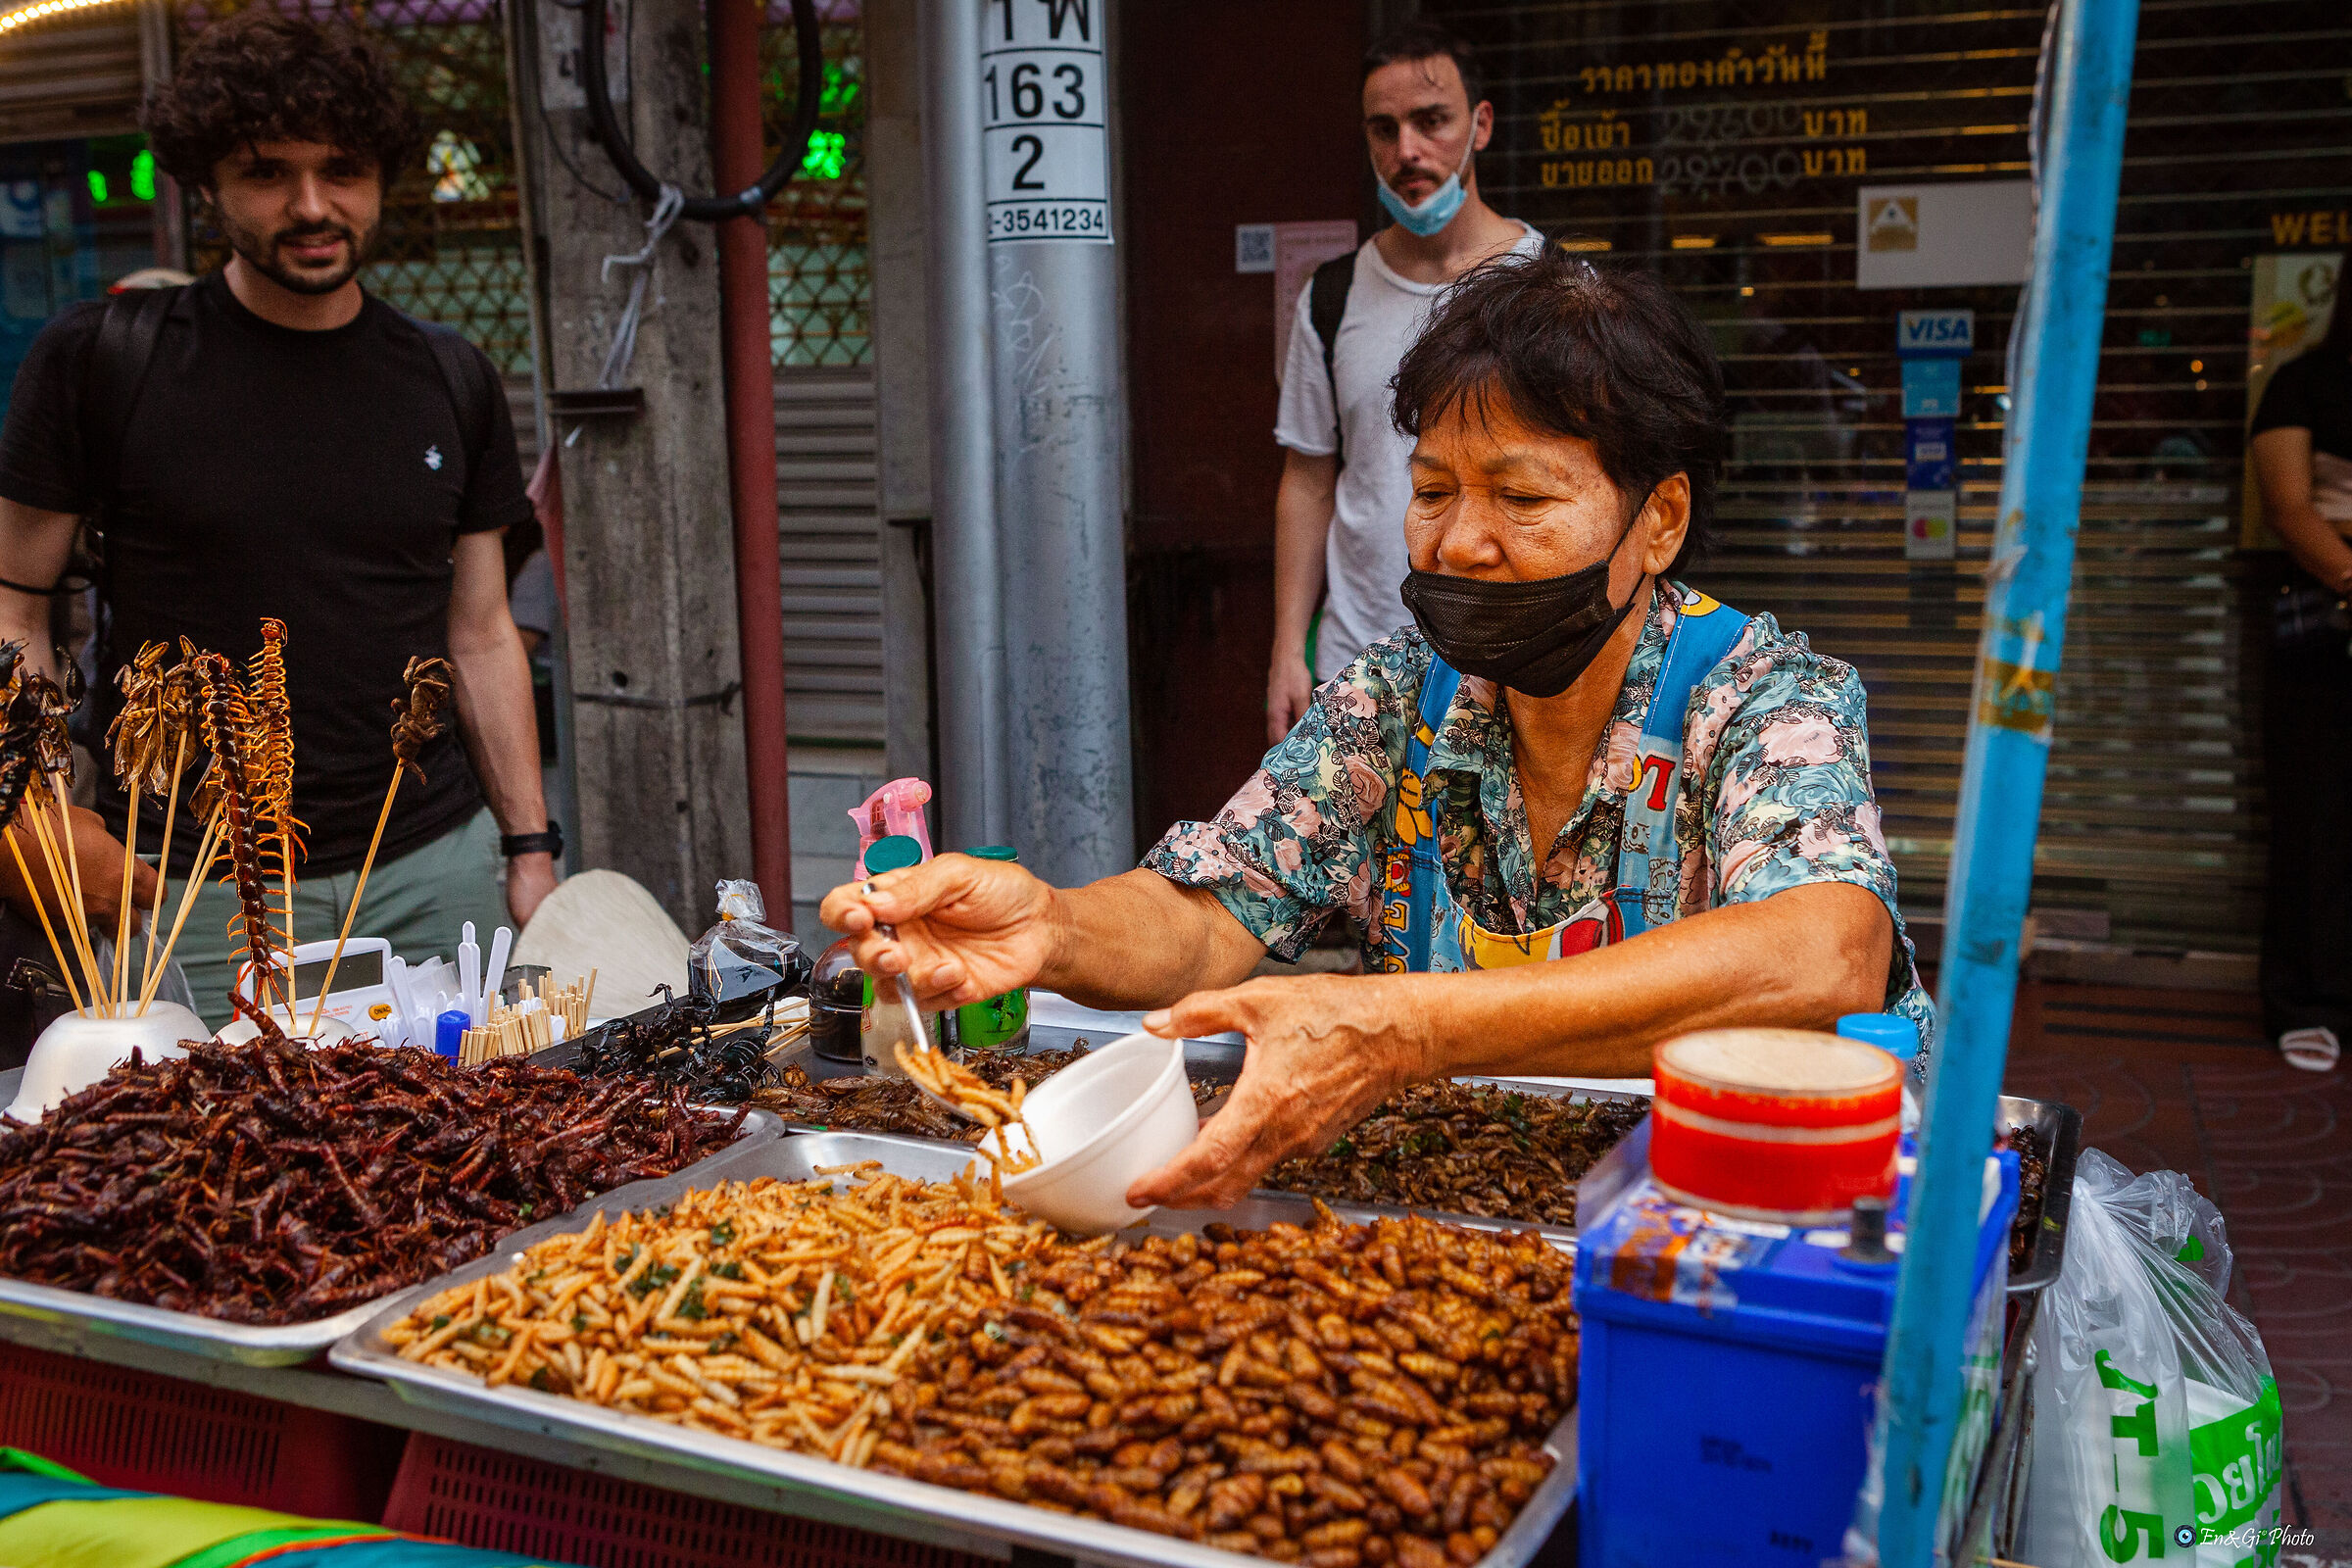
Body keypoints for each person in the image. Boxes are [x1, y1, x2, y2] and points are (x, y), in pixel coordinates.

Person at [828, 254, 1932, 1208]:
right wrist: (1055, 930)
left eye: (1522, 498)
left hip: (1711, 1230)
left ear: (1662, 520)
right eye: (1434, 488)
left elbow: (1823, 952)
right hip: (1464, 1211)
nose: (1459, 541)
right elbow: (1216, 910)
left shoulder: (1762, 697)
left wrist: (1404, 1026)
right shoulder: (1399, 696)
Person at [0, 12, 554, 1028]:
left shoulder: (450, 376)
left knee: (470, 1154)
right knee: (207, 1169)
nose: (311, 205)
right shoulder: (104, 359)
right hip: (187, 890)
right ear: (209, 185)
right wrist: (35, 817)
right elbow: (13, 605)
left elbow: (478, 633)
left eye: (341, 169)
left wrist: (528, 848)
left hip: (433, 867)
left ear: (384, 177)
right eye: (266, 172)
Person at [1265, 22, 1544, 746]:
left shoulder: (1555, 289)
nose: (1407, 151)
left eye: (1432, 121)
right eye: (1384, 129)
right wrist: (1286, 650)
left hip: (1516, 665)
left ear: (1480, 125)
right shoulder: (1331, 296)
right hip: (1355, 668)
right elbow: (1307, 476)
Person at [2248, 304, 2352, 1073]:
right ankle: (2307, 998)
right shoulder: (2305, 383)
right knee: (2315, 813)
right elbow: (2287, 503)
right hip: (2326, 625)